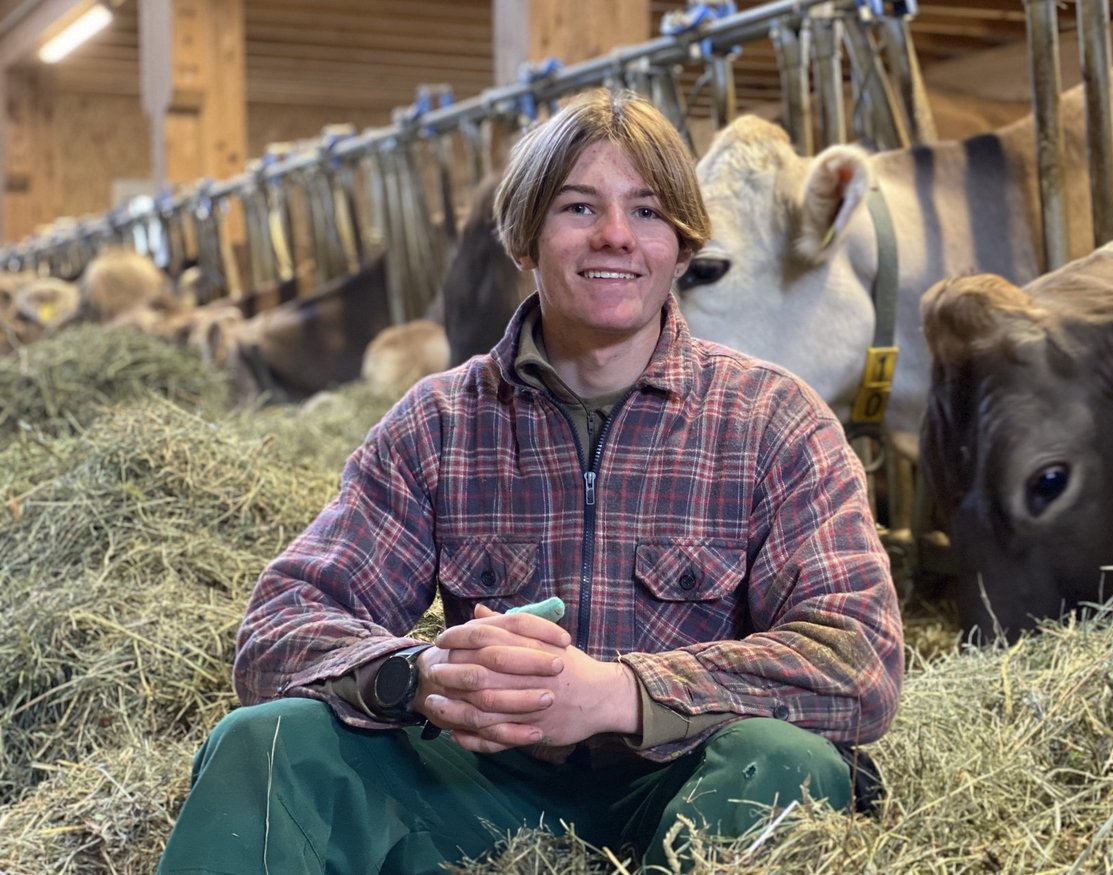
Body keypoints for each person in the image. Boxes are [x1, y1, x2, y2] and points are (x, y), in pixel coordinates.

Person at [157, 88, 904, 874]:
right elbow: (280, 625)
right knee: (267, 740)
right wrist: (421, 675)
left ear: (682, 249)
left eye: (647, 211)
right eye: (579, 207)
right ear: (524, 238)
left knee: (786, 763)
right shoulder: (442, 421)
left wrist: (621, 694)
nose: (615, 235)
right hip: (478, 788)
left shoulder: (774, 420)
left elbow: (858, 661)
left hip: (689, 783)